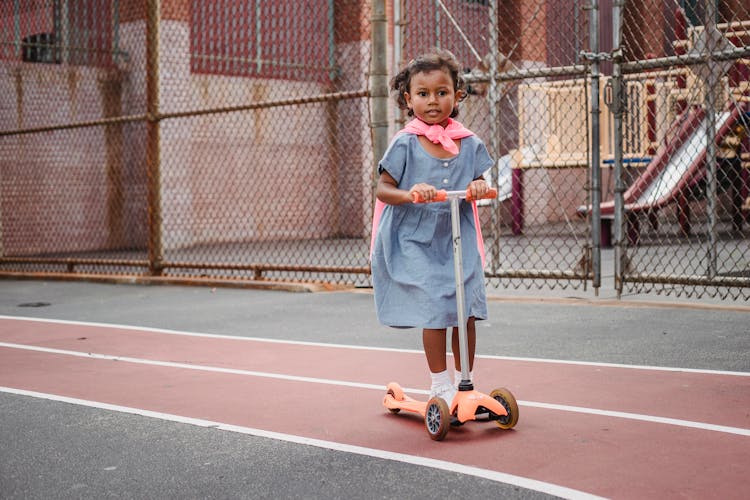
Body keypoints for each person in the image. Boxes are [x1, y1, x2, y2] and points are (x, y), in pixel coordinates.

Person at [370, 49, 494, 404]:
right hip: (415, 237)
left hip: (458, 234)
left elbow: (481, 178)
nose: (433, 101)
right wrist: (410, 193)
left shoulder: (469, 142)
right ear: (409, 100)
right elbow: (383, 188)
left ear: (457, 95)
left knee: (465, 309)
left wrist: (480, 186)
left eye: (442, 92)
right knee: (436, 309)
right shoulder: (406, 141)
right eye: (423, 94)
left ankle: (464, 381)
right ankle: (440, 383)